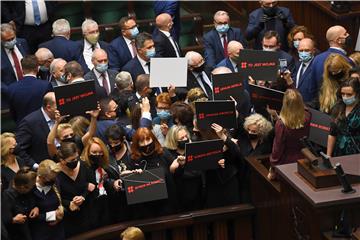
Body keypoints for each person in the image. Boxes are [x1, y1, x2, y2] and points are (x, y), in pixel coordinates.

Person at [128, 127, 178, 219]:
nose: (146, 144)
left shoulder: (163, 153)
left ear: (153, 139)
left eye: (148, 139)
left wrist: (176, 167)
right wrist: (134, 175)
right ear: (137, 144)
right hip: (146, 211)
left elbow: (176, 175)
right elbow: (131, 185)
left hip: (168, 207)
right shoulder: (134, 160)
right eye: (142, 141)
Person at [56, 142, 95, 237]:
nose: (76, 161)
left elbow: (93, 186)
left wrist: (83, 197)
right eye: (72, 160)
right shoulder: (55, 173)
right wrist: (69, 203)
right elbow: (55, 196)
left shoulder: (84, 165)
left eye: (77, 158)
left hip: (87, 212)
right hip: (68, 217)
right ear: (62, 160)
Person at [269, 89, 311, 178]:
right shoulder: (308, 116)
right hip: (303, 160)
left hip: (286, 162)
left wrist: (272, 168)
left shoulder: (281, 124)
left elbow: (277, 149)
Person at [165, 125, 204, 211]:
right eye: (181, 138)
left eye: (186, 136)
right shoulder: (168, 154)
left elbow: (199, 172)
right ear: (174, 140)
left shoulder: (194, 149)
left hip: (197, 194)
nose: (185, 139)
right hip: (179, 196)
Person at [236, 113, 274, 202]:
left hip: (259, 180)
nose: (250, 133)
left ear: (261, 132)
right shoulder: (243, 137)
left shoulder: (267, 142)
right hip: (243, 179)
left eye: (254, 131)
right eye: (248, 130)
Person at [6, 55, 53, 124]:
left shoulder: (11, 88)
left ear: (22, 70)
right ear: (37, 68)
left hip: (22, 126)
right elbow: (51, 107)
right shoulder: (45, 85)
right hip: (43, 125)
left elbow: (13, 113)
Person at [15, 92, 57, 169]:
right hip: (43, 169)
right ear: (49, 107)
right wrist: (34, 165)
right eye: (58, 105)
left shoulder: (62, 117)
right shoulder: (30, 122)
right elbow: (19, 149)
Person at [104, 124, 134, 222]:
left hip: (135, 195)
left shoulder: (133, 150)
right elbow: (103, 178)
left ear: (123, 139)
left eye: (116, 143)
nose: (112, 146)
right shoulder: (105, 154)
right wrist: (112, 183)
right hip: (117, 201)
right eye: (110, 143)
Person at [30, 159, 65, 240]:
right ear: (40, 176)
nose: (54, 180)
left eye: (55, 178)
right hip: (40, 233)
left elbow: (60, 202)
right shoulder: (31, 187)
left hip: (58, 231)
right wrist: (53, 215)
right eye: (50, 179)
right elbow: (30, 215)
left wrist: (60, 214)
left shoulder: (54, 182)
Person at [81, 137, 111, 227]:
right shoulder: (83, 167)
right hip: (90, 208)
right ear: (88, 153)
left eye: (100, 152)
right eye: (94, 152)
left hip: (105, 204)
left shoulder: (104, 166)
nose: (97, 155)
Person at [1, 167, 38, 240]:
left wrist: (36, 207)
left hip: (31, 230)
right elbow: (3, 220)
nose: (33, 188)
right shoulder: (6, 196)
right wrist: (13, 220)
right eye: (31, 187)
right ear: (22, 187)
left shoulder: (29, 188)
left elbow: (33, 199)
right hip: (17, 235)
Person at [327, 77, 360, 157]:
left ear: (357, 94)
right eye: (343, 94)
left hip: (356, 154)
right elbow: (332, 134)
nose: (345, 97)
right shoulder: (338, 107)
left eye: (349, 94)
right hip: (338, 153)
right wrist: (328, 155)